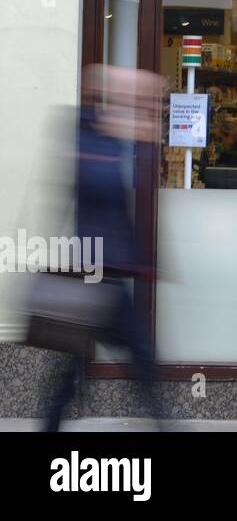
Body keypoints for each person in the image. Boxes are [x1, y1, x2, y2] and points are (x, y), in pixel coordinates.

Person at [45, 65, 168, 432]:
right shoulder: (87, 133)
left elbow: (119, 211)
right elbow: (94, 191)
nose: (147, 109)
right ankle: (167, 425)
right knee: (141, 356)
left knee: (71, 370)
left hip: (103, 270)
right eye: (141, 100)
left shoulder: (110, 139)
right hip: (93, 272)